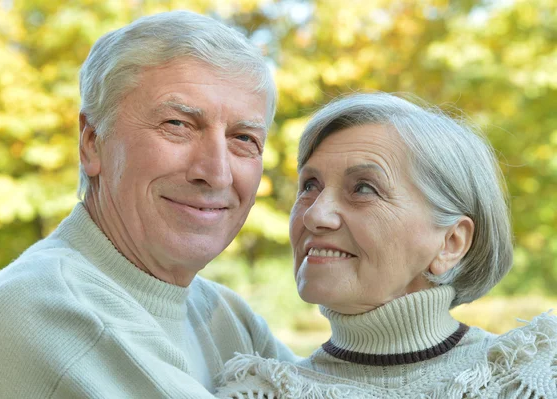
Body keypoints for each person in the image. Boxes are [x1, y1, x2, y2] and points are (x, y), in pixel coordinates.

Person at [0, 10, 296, 398]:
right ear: (91, 143)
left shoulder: (226, 317)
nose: (216, 173)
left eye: (244, 139)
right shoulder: (41, 308)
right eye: (178, 125)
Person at [216, 93, 557, 398]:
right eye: (309, 185)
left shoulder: (532, 379)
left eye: (363, 188)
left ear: (451, 243)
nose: (315, 215)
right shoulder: (260, 393)